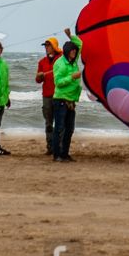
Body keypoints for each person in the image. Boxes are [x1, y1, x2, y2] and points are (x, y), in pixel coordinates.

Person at [50, 28, 83, 162]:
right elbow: (58, 82)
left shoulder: (73, 61)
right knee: (59, 128)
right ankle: (56, 155)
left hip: (71, 100)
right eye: (72, 51)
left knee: (69, 129)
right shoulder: (60, 64)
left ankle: (65, 154)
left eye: (75, 52)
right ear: (67, 51)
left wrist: (70, 36)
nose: (74, 53)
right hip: (61, 100)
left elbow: (80, 45)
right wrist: (72, 77)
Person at [35, 37, 61, 154]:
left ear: (54, 46)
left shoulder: (61, 60)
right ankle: (50, 147)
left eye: (48, 45)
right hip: (46, 95)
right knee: (49, 123)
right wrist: (39, 76)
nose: (46, 48)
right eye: (45, 46)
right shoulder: (42, 62)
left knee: (60, 122)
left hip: (59, 95)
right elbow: (38, 80)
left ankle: (59, 146)